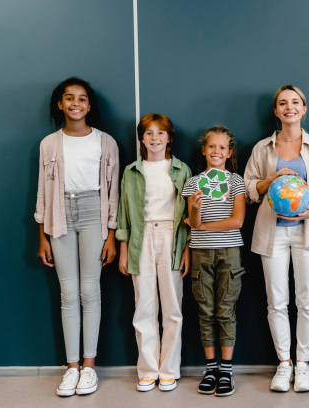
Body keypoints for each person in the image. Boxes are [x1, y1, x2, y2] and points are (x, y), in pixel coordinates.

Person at [244, 85, 309, 392]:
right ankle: (284, 364)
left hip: (307, 230)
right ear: (276, 111)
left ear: (304, 108)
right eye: (283, 103)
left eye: (295, 102)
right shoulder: (262, 148)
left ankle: (303, 364)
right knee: (277, 301)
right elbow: (249, 189)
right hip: (273, 233)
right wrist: (270, 180)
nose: (289, 107)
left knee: (307, 300)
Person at [35, 77, 119, 396]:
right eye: (69, 98)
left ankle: (89, 366)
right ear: (60, 104)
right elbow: (43, 191)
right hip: (59, 215)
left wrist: (111, 234)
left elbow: (113, 193)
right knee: (68, 293)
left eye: (81, 99)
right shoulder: (49, 143)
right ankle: (71, 367)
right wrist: (43, 234)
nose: (75, 104)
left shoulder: (105, 142)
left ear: (89, 105)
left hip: (93, 211)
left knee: (89, 290)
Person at [116, 113, 191, 392]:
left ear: (169, 137)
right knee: (144, 307)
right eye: (149, 133)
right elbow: (123, 212)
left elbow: (191, 214)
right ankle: (148, 369)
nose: (155, 138)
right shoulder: (132, 171)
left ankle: (169, 369)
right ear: (142, 138)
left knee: (173, 308)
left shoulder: (181, 170)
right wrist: (124, 248)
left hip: (172, 236)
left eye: (161, 133)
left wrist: (186, 250)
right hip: (141, 237)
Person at [181, 126, 245, 397]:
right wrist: (195, 211)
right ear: (204, 151)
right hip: (201, 253)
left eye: (222, 147)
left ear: (229, 152)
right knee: (205, 310)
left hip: (229, 252)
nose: (216, 151)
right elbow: (192, 223)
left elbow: (237, 221)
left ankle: (226, 369)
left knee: (225, 310)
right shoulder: (194, 183)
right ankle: (211, 368)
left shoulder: (235, 181)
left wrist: (203, 226)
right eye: (212, 147)